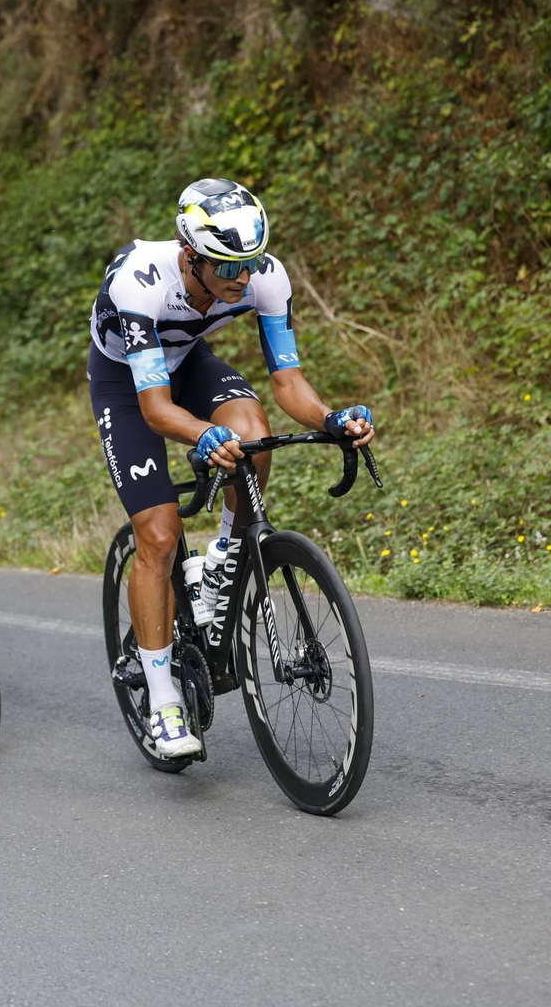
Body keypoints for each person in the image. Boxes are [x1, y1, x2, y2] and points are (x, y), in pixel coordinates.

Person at [88, 177, 375, 758]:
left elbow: (287, 382)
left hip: (188, 360)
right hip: (128, 382)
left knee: (255, 434)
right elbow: (155, 407)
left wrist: (330, 418)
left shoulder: (263, 275)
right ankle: (164, 699)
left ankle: (223, 558)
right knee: (161, 536)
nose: (243, 279)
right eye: (227, 267)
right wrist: (202, 433)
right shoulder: (141, 281)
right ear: (191, 257)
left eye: (249, 262)